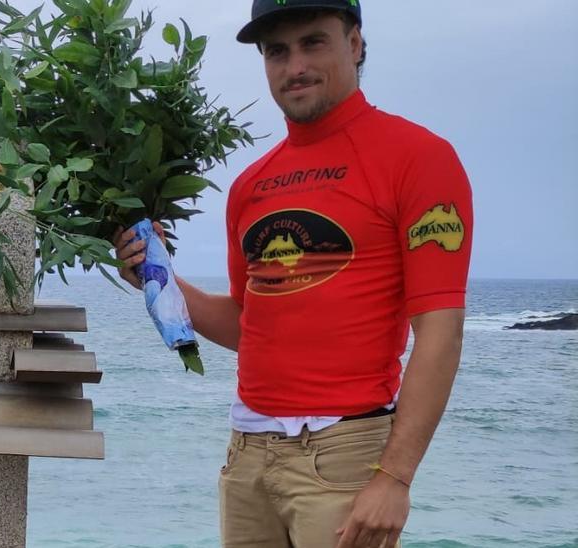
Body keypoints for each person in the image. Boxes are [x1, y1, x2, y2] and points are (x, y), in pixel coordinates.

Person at [115, 1, 473, 546]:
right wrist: (159, 281)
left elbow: (440, 333)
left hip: (345, 456)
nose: (295, 65)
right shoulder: (251, 185)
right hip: (247, 456)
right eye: (277, 51)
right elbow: (247, 323)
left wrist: (395, 477)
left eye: (314, 42)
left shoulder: (418, 157)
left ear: (355, 44)